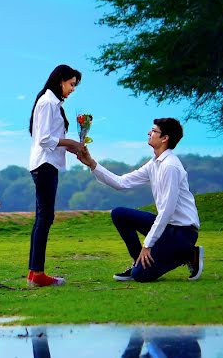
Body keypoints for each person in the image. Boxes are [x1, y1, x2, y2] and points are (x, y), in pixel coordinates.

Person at [75, 118, 204, 283]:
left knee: (140, 276)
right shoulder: (154, 164)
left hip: (182, 233)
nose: (149, 133)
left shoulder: (170, 166)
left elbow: (167, 211)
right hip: (167, 228)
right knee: (119, 214)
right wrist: (92, 164)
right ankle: (139, 261)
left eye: (154, 131)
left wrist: (147, 245)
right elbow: (121, 183)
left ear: (165, 138)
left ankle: (189, 253)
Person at [27, 65, 87, 287]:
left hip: (48, 164)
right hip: (44, 165)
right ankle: (37, 274)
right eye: (71, 84)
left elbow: (52, 139)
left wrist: (74, 147)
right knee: (45, 218)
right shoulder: (48, 102)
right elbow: (43, 139)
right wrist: (70, 142)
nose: (72, 89)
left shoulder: (53, 103)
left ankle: (34, 273)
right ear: (60, 80)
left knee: (43, 218)